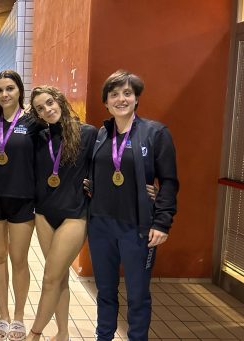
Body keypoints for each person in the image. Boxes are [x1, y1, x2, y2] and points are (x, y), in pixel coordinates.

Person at [88, 70, 178, 341]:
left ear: (137, 98)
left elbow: (170, 181)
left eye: (127, 93)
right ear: (106, 102)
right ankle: (103, 336)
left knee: (137, 295)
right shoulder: (102, 135)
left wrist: (162, 222)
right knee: (105, 292)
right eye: (114, 94)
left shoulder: (155, 133)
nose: (121, 99)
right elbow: (97, 172)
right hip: (101, 226)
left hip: (137, 228)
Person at [23, 86, 97, 341]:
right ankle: (63, 333)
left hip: (74, 215)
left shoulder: (87, 133)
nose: (47, 110)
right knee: (60, 276)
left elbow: (107, 166)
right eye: (40, 108)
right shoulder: (39, 136)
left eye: (50, 102)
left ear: (61, 101)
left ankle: (35, 333)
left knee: (50, 277)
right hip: (44, 214)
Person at [0, 70, 41, 341]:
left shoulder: (33, 122)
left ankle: (19, 317)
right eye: (0, 89)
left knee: (19, 259)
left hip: (23, 197)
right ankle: (3, 315)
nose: (5, 94)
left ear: (20, 91)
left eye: (10, 88)